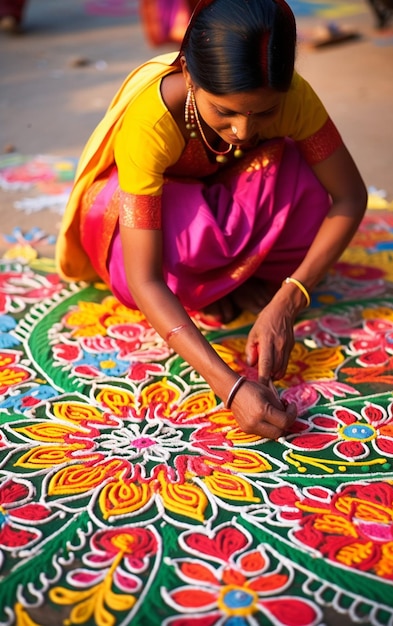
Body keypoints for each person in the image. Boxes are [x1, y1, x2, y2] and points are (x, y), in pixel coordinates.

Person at [56, 0, 368, 439]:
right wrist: (230, 385)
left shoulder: (293, 97)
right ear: (189, 75)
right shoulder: (152, 120)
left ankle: (235, 283)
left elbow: (349, 197)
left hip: (231, 196)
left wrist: (289, 299)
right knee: (160, 258)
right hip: (170, 215)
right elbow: (146, 279)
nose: (243, 130)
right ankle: (229, 280)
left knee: (310, 195)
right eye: (225, 111)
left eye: (263, 113)